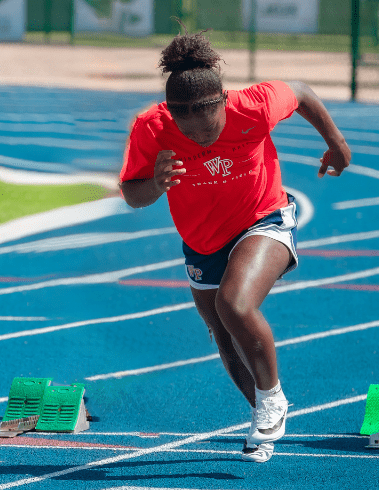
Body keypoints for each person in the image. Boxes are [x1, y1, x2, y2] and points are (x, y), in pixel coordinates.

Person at [119, 32, 351, 463]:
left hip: (264, 219)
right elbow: (132, 193)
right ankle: (263, 416)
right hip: (202, 242)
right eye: (192, 134)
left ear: (225, 100)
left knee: (234, 303)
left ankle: (273, 398)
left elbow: (299, 92)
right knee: (225, 335)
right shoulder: (152, 128)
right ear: (171, 115)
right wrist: (157, 182)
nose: (204, 141)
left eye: (211, 130)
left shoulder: (255, 106)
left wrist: (335, 143)